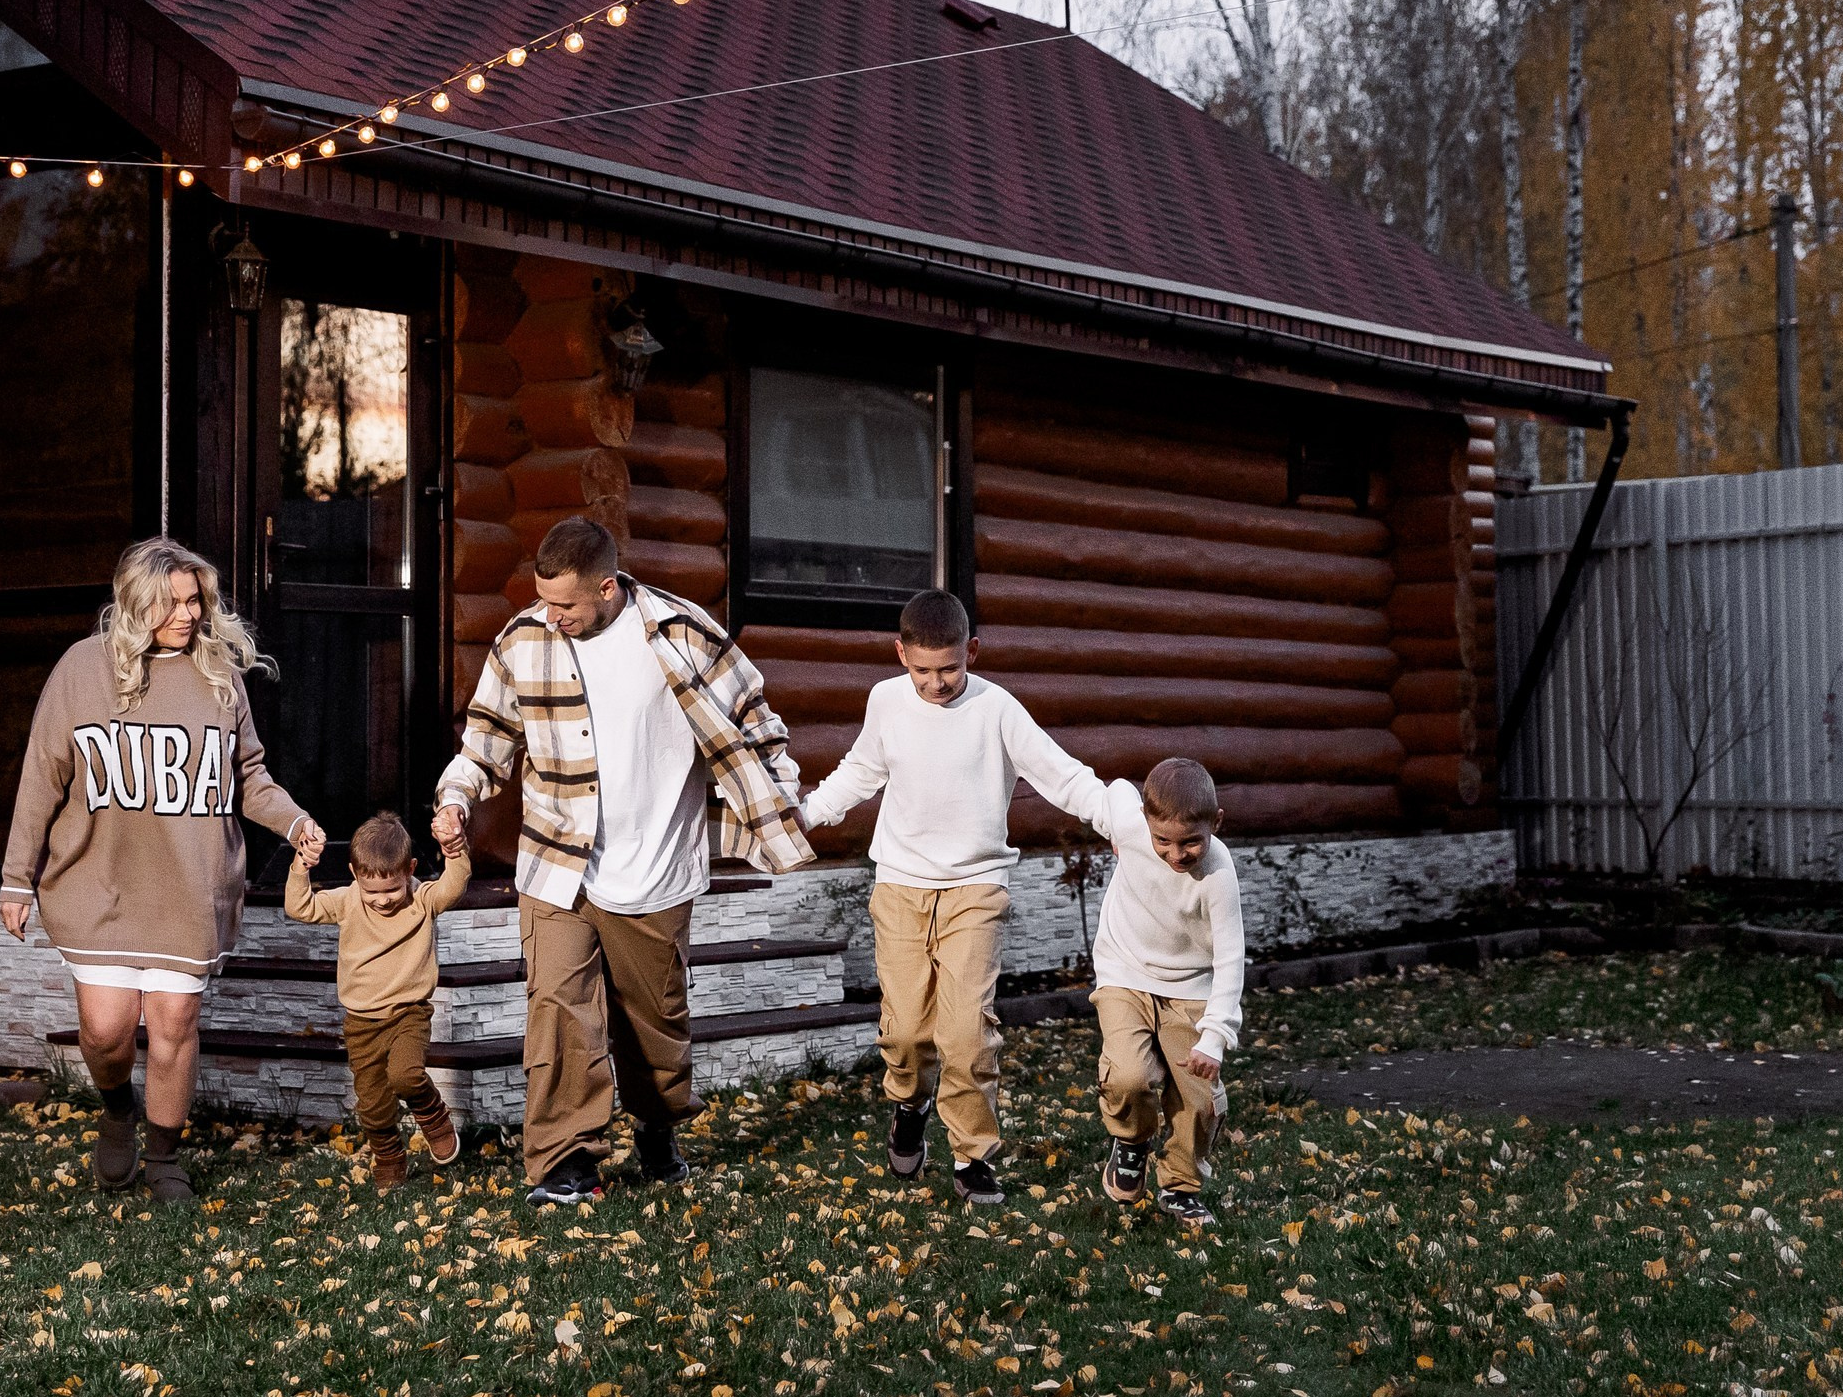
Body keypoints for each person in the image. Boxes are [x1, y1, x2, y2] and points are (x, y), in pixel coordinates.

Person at [431, 517, 813, 1205]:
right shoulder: (523, 640)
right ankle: (564, 1163)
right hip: (557, 861)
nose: (554, 616)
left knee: (653, 1025)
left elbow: (758, 720)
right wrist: (456, 796)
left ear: (607, 588)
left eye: (567, 605)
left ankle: (658, 1121)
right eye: (545, 600)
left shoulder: (682, 631)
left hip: (657, 864)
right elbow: (486, 740)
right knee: (559, 1007)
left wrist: (774, 804)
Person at [0, 538, 324, 1202]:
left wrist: (293, 821)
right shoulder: (80, 670)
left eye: (195, 597)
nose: (189, 612)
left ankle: (163, 1155)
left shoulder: (218, 675)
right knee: (106, 1031)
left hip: (188, 886)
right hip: (99, 883)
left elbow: (249, 776)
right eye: (171, 601)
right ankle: (118, 1109)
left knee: (174, 1023)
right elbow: (41, 776)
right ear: (134, 603)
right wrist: (15, 876)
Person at [797, 589, 1108, 1207]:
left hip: (976, 887)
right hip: (902, 886)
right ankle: (909, 1103)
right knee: (908, 1032)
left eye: (950, 669)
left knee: (966, 1032)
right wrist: (806, 814)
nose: (937, 684)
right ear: (900, 655)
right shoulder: (886, 700)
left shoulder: (998, 709)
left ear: (971, 651)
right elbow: (861, 769)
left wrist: (1119, 821)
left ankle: (972, 1158)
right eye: (922, 670)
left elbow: (1062, 774)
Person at [1086, 757, 1242, 1227]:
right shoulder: (1132, 826)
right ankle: (1132, 1140)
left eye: (1191, 841)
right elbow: (1113, 788)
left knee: (1197, 1096)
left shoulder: (1218, 874)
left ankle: (1181, 1187)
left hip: (1191, 987)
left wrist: (1214, 1036)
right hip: (1124, 973)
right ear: (1145, 823)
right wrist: (1111, 827)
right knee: (1128, 1075)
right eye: (1163, 842)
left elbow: (1231, 959)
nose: (1176, 855)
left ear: (1215, 823)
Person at [284, 810, 472, 1191]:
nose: (384, 900)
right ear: (355, 874)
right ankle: (389, 1155)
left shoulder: (421, 898)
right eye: (373, 892)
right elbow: (298, 907)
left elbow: (454, 886)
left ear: (410, 869)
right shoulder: (348, 901)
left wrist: (455, 850)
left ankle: (433, 1115)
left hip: (409, 1013)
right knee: (372, 1104)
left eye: (392, 890)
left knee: (406, 1075)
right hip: (362, 1022)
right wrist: (302, 865)